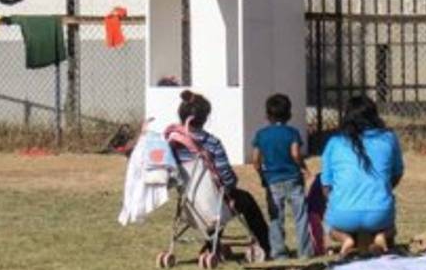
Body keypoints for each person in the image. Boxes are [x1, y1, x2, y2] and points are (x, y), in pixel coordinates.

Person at [171, 90, 271, 259]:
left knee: (219, 199)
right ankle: (266, 245)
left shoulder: (173, 144)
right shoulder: (212, 143)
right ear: (205, 118)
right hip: (213, 206)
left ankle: (213, 246)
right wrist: (232, 182)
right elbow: (227, 178)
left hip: (188, 207)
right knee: (241, 199)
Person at [320, 95, 404, 255]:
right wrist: (383, 188)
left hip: (341, 215)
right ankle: (382, 235)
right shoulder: (389, 138)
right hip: (380, 214)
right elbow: (397, 173)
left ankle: (345, 239)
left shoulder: (334, 142)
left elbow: (326, 186)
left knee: (329, 223)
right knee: (390, 206)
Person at [251, 93, 313, 259]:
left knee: (275, 218)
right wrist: (303, 167)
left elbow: (255, 159)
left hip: (272, 181)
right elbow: (295, 153)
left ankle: (279, 253)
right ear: (289, 115)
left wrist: (261, 174)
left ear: (267, 115)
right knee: (300, 216)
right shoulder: (292, 132)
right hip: (293, 178)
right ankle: (304, 252)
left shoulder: (261, 135)